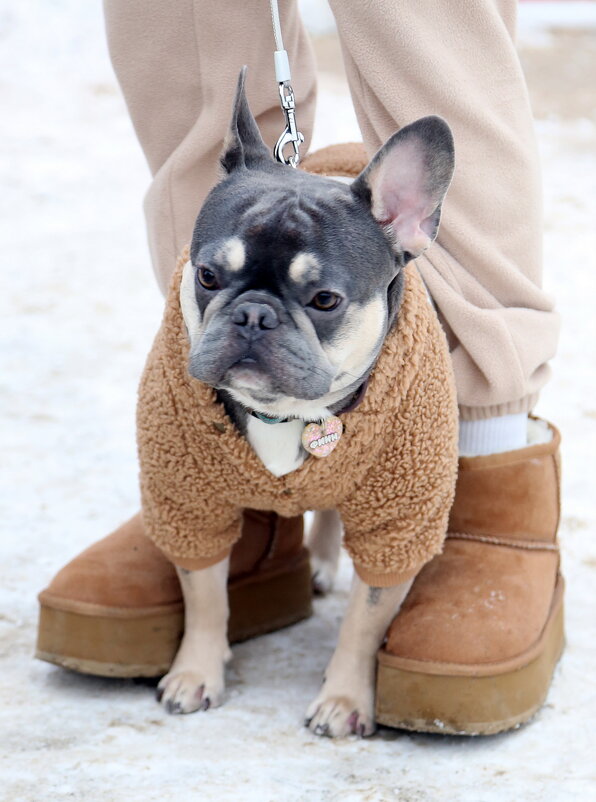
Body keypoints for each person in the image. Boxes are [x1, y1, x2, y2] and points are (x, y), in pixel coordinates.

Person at [36, 0, 563, 734]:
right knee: (186, 28)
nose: (256, 323)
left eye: (317, 300)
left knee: (432, 31)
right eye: (218, 284)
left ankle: (487, 453)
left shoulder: (388, 248)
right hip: (217, 402)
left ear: (410, 221)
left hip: (400, 346)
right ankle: (236, 520)